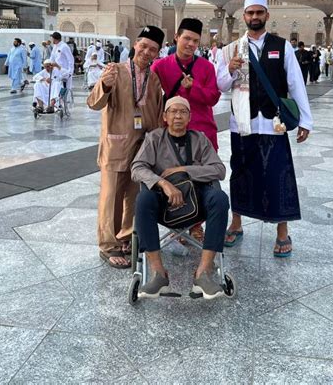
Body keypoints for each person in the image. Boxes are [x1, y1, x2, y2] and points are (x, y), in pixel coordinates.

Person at [217, 0, 313, 256]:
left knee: (277, 176)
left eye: (259, 12)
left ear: (267, 16)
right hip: (243, 125)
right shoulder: (231, 50)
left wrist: (305, 120)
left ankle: (282, 232)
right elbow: (221, 86)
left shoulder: (282, 47)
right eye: (250, 13)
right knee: (241, 175)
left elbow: (295, 83)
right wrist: (231, 70)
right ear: (244, 16)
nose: (255, 17)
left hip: (273, 124)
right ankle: (236, 223)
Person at [131, 96, 228, 299]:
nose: (178, 116)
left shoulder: (200, 139)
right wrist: (164, 183)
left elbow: (219, 170)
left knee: (219, 198)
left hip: (196, 201)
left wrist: (183, 170)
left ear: (190, 117)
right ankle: (158, 274)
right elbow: (137, 168)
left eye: (183, 112)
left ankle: (203, 274)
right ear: (165, 116)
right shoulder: (154, 138)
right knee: (143, 200)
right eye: (173, 111)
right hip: (163, 203)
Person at [87, 25, 165, 268]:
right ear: (135, 45)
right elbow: (94, 103)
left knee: (133, 196)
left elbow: (157, 112)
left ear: (157, 53)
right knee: (111, 196)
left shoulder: (154, 79)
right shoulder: (116, 71)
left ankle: (126, 239)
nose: (147, 52)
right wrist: (105, 85)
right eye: (143, 46)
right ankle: (108, 246)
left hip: (141, 147)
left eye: (153, 49)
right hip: (116, 144)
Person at [151, 18, 221, 243]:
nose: (190, 44)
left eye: (195, 40)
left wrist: (194, 88)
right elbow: (149, 92)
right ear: (176, 38)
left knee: (201, 179)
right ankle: (178, 216)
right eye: (187, 39)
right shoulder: (161, 66)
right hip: (172, 135)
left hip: (202, 134)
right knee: (174, 176)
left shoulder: (206, 67)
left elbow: (213, 97)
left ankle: (196, 225)